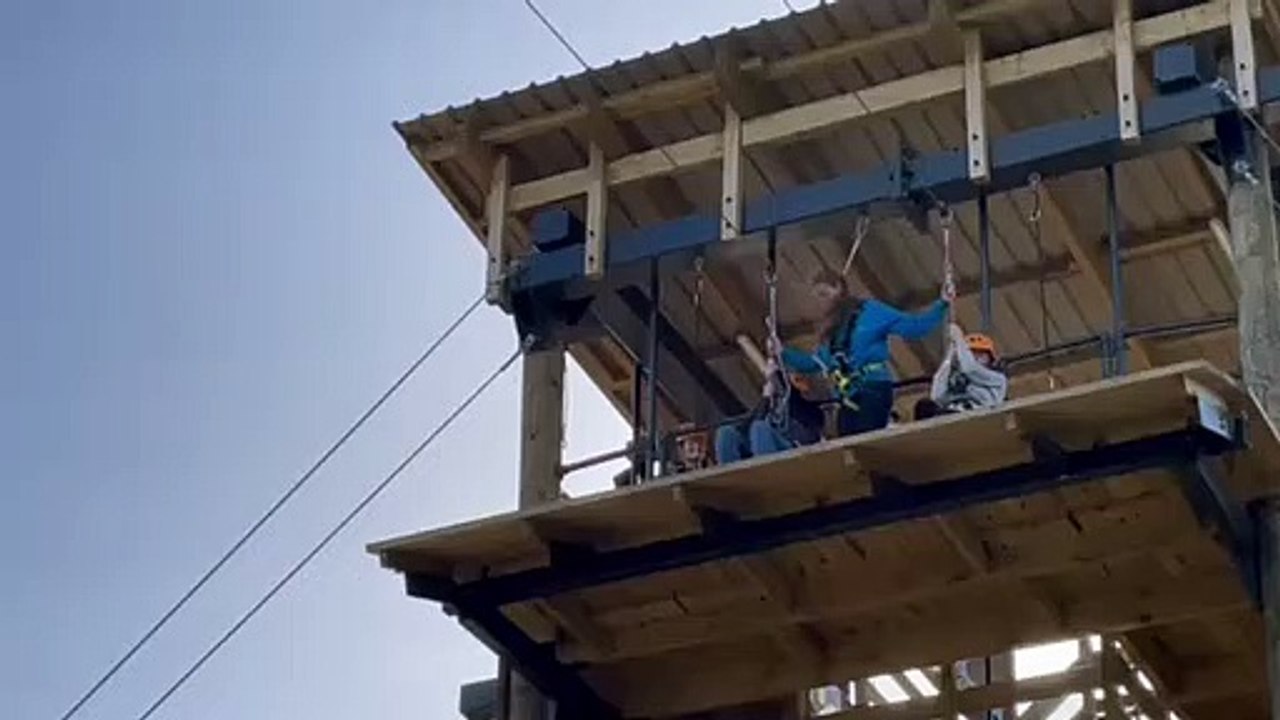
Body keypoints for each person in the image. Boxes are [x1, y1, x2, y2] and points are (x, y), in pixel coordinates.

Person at [716, 269, 950, 463]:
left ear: (839, 288)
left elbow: (915, 327)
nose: (822, 301)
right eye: (818, 296)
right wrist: (782, 352)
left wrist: (942, 304)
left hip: (873, 389)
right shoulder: (831, 334)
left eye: (824, 293)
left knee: (861, 442)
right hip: (848, 398)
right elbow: (812, 363)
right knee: (847, 443)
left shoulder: (870, 312)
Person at [914, 323, 1008, 420]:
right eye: (972, 354)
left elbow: (970, 369)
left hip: (978, 416)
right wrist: (951, 354)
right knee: (924, 406)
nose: (975, 358)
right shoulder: (955, 380)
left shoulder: (997, 379)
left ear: (991, 359)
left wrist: (959, 338)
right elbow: (937, 395)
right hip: (951, 414)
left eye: (981, 354)